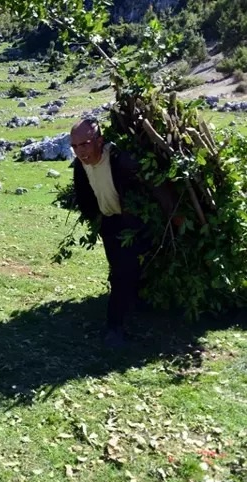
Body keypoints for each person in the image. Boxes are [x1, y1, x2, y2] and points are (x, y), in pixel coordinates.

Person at [70, 117, 176, 347]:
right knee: (121, 269)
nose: (80, 151)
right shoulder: (81, 165)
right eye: (75, 146)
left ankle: (114, 328)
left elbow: (153, 183)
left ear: (99, 140)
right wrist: (97, 218)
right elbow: (84, 196)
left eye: (84, 144)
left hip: (134, 222)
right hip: (110, 223)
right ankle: (133, 302)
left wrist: (172, 215)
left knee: (122, 271)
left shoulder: (120, 159)